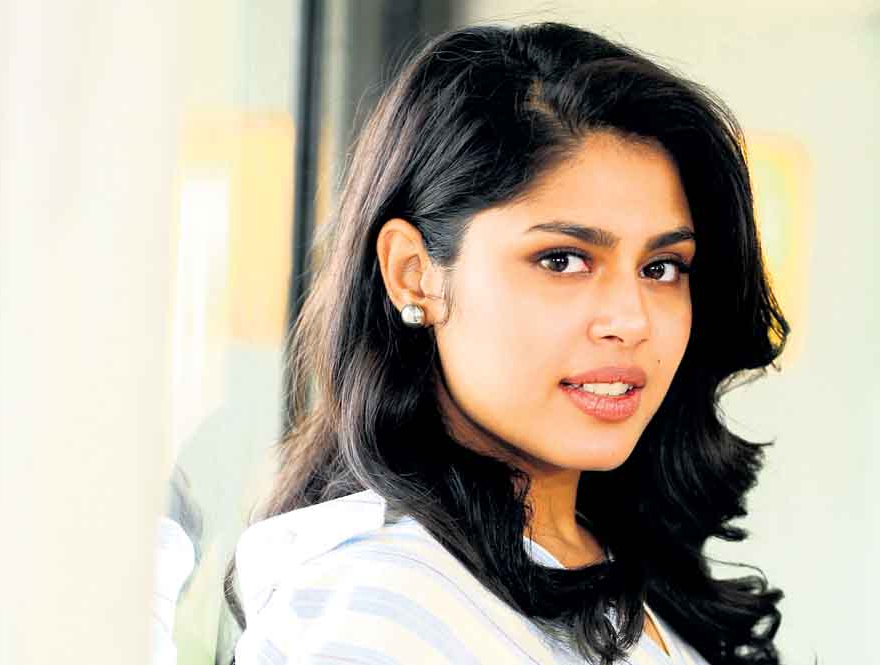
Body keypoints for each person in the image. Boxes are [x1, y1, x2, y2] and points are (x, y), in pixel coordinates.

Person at [225, 20, 789, 665]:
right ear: (414, 274)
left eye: (661, 268)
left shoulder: (614, 564)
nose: (631, 320)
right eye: (563, 260)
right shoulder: (381, 608)